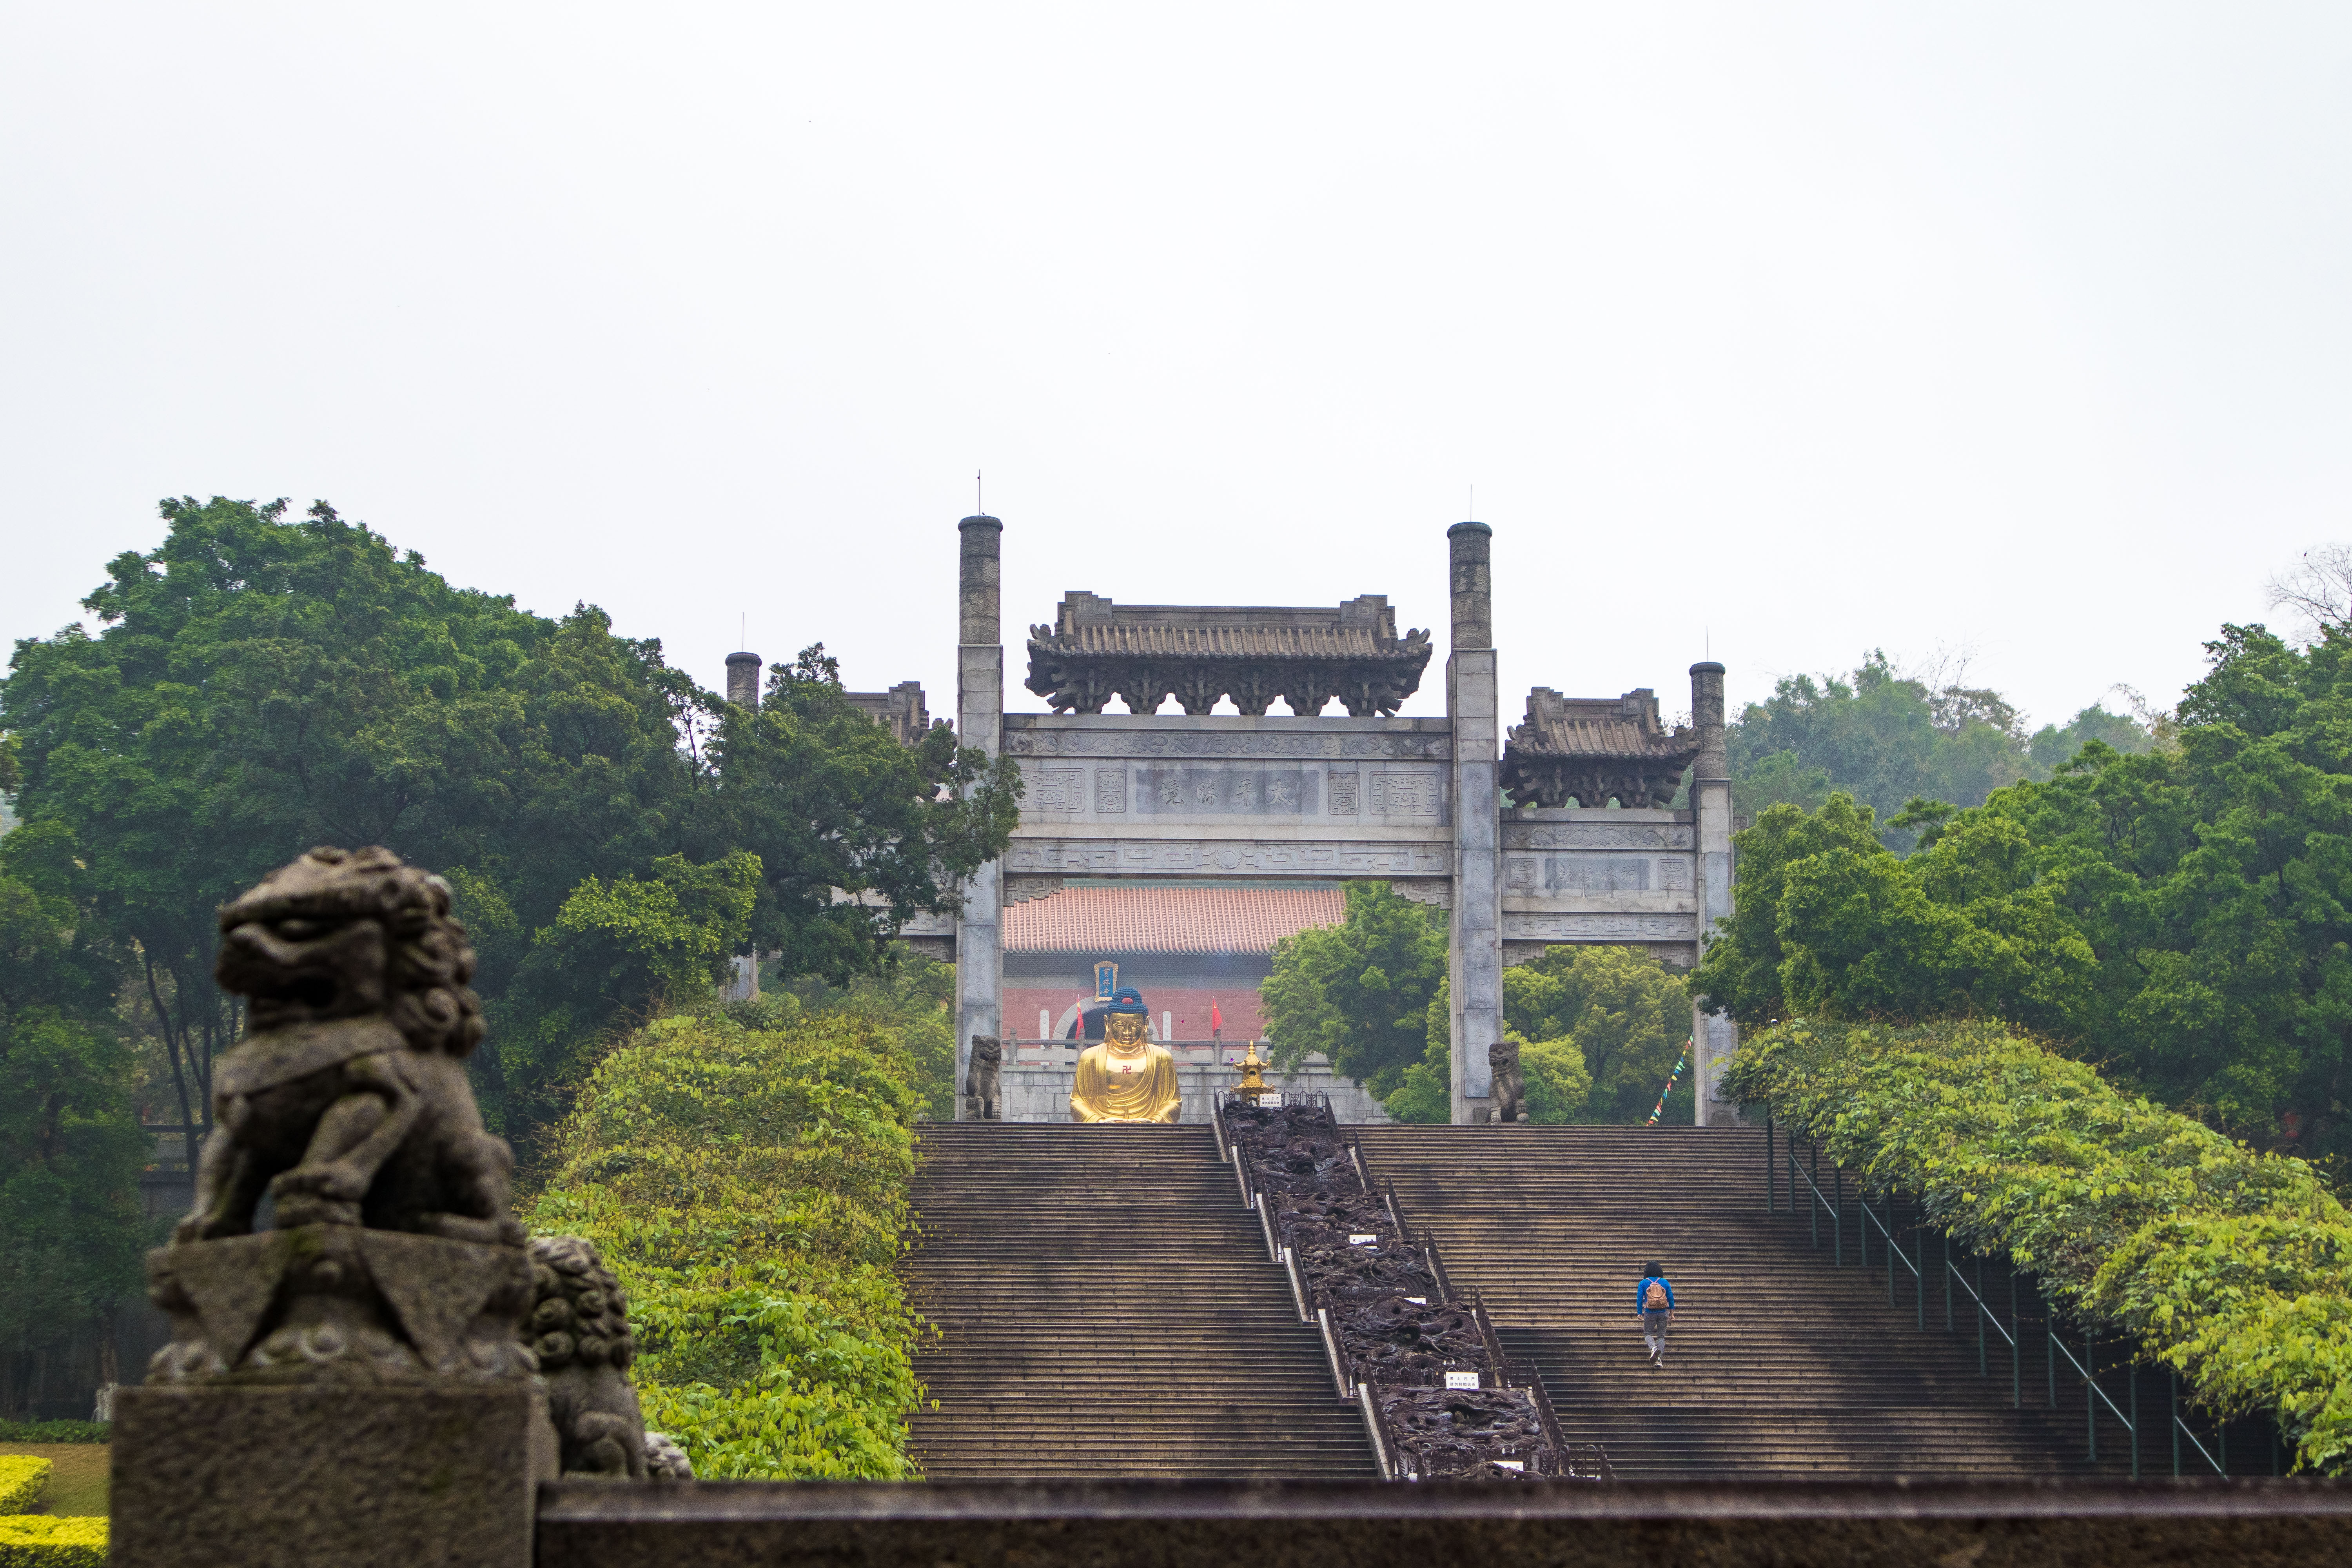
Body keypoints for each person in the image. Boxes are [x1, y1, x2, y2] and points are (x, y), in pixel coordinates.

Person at [1634, 1259, 1675, 1368]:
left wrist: (1639, 1313)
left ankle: (1653, 1348)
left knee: (1648, 1334)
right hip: (1663, 1312)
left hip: (1650, 1312)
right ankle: (1658, 1361)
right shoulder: (1665, 1282)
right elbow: (1671, 1298)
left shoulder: (1643, 1283)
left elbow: (1639, 1299)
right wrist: (1672, 1313)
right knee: (1661, 1336)